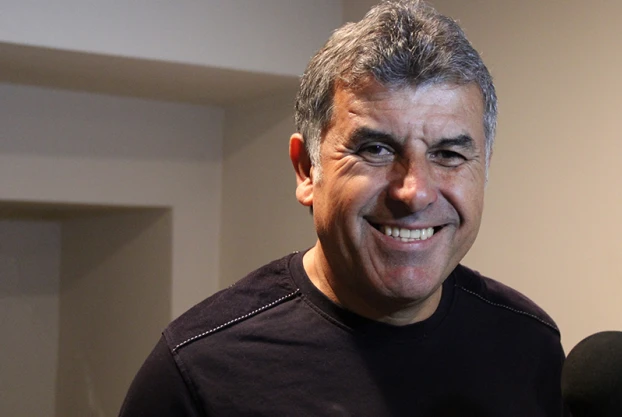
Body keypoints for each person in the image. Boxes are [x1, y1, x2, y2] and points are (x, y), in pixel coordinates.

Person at [119, 1, 567, 416]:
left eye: (448, 154)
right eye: (375, 149)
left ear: (484, 168)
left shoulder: (528, 344)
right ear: (306, 170)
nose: (414, 192)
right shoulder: (198, 371)